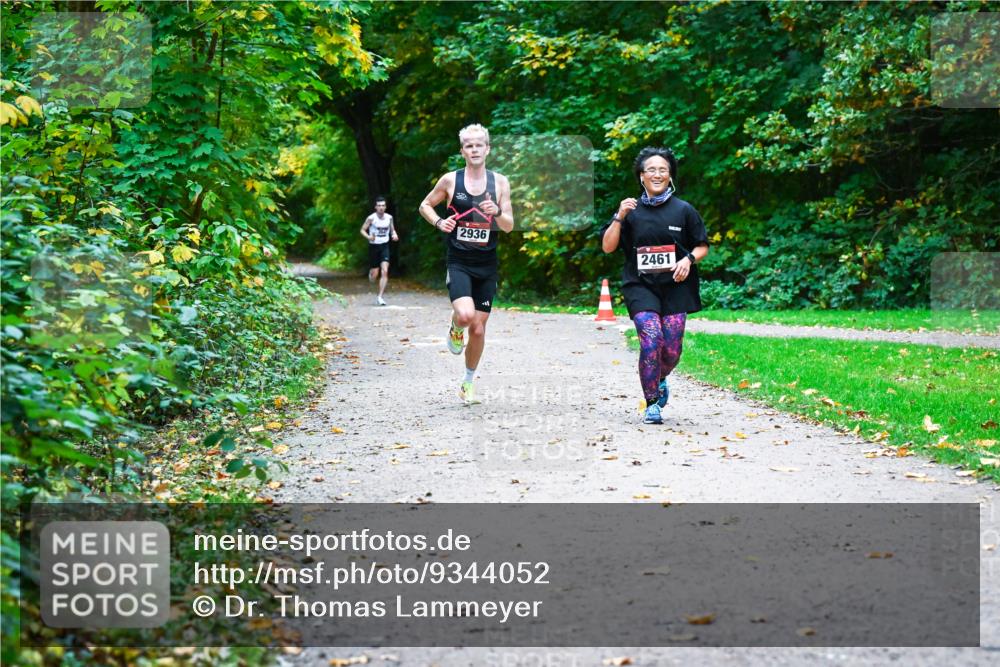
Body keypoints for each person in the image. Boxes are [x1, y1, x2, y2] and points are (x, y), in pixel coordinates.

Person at [601, 147, 709, 424]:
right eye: (651, 169)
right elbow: (607, 247)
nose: (657, 174)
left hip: (676, 285)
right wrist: (619, 216)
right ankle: (652, 403)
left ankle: (659, 378)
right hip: (641, 286)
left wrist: (688, 260)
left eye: (663, 169)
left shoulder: (684, 210)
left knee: (671, 351)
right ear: (641, 176)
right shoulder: (631, 212)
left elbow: (702, 247)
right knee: (651, 338)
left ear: (670, 175)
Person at [418, 124, 514, 404]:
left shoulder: (500, 183)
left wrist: (497, 212)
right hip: (459, 260)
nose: (474, 149)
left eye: (479, 145)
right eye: (469, 146)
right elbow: (425, 205)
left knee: (480, 328)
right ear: (462, 151)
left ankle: (468, 383)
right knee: (465, 316)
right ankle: (454, 327)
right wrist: (439, 221)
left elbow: (508, 226)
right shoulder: (450, 180)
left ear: (488, 149)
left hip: (487, 263)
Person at [360, 196, 398, 306]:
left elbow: (392, 229)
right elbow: (362, 230)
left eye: (383, 205)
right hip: (374, 247)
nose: (381, 207)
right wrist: (368, 237)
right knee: (375, 274)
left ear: (385, 207)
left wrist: (394, 234)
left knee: (385, 270)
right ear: (376, 207)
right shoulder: (371, 218)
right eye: (379, 205)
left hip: (384, 246)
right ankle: (371, 274)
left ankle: (380, 297)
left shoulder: (389, 218)